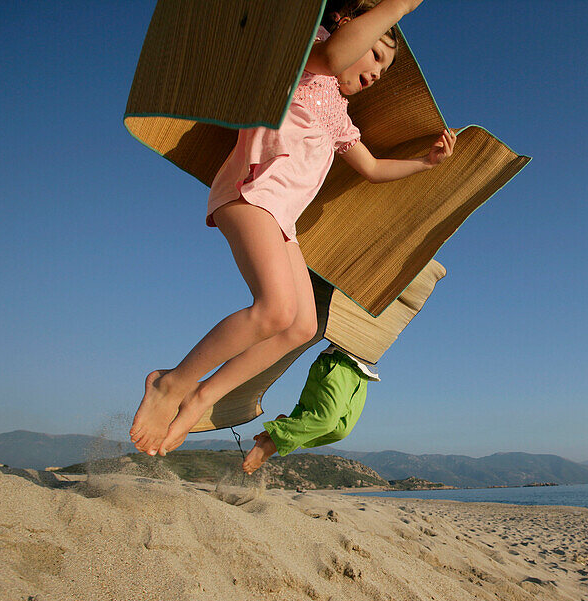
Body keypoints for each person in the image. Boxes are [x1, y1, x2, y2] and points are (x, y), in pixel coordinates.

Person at [129, 0, 455, 456]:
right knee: (275, 310)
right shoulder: (305, 59)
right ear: (345, 26)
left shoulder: (341, 115)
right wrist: (398, 6)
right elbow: (334, 56)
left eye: (385, 68)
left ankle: (201, 397)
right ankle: (170, 383)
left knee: (303, 326)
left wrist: (426, 162)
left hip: (281, 220)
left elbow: (374, 168)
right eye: (377, 55)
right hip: (250, 193)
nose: (378, 73)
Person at [240, 344, 377, 473]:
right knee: (324, 421)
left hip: (363, 374)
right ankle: (272, 441)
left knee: (340, 430)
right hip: (338, 361)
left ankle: (288, 425)